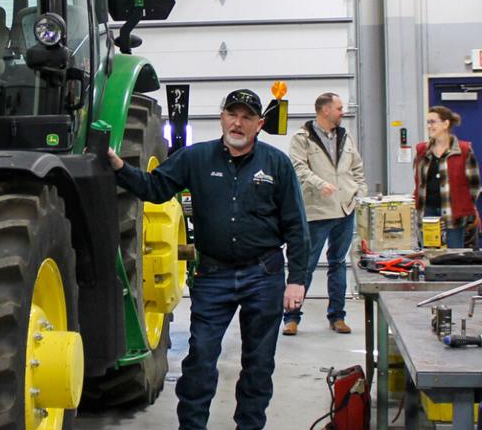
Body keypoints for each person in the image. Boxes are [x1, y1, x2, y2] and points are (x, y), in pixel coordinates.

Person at [107, 88, 308, 430]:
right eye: (232, 114)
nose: (238, 123)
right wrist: (118, 166)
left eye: (246, 117)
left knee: (259, 363)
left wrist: (298, 280)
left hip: (264, 274)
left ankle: (250, 425)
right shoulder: (195, 158)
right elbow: (154, 188)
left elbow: (296, 225)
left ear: (259, 124)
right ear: (222, 117)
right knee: (200, 358)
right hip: (213, 275)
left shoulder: (277, 164)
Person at [282, 92, 366, 336]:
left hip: (344, 209)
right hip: (317, 211)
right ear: (325, 110)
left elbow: (357, 168)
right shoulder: (302, 138)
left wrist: (360, 194)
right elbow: (298, 167)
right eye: (339, 108)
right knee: (305, 265)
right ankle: (291, 317)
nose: (343, 112)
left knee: (338, 263)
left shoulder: (345, 136)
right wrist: (320, 184)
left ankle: (337, 316)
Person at [414, 106, 481, 249]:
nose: (429, 126)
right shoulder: (422, 150)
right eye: (428, 122)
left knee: (454, 254)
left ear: (446, 124)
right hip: (427, 211)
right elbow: (418, 181)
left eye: (433, 122)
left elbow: (474, 186)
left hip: (454, 213)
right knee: (429, 254)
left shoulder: (463, 150)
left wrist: (464, 206)